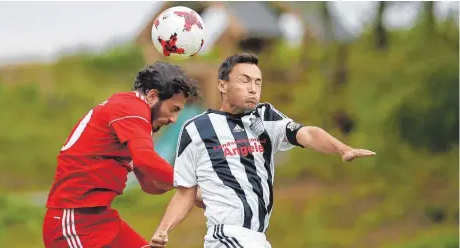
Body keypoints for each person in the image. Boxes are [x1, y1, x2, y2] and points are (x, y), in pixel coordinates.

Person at [149, 53, 376, 248]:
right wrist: (163, 229)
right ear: (222, 85)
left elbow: (306, 134)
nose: (253, 89)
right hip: (227, 235)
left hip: (256, 238)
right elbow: (186, 192)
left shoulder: (264, 117)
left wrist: (342, 148)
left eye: (258, 82)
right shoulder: (197, 128)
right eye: (245, 81)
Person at [42, 62, 199, 248]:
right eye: (173, 110)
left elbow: (149, 184)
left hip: (100, 218)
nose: (174, 120)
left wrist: (184, 188)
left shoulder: (135, 121)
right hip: (74, 221)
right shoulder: (130, 107)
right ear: (152, 96)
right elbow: (145, 158)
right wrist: (189, 181)